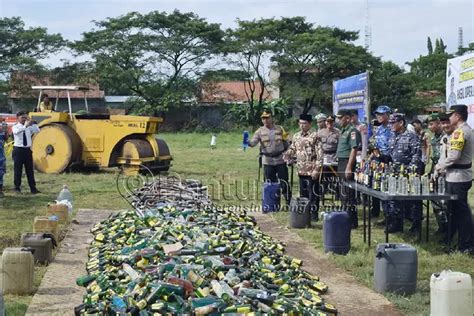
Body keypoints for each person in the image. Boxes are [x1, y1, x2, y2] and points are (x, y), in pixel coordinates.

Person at [435, 105, 473, 254]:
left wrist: (439, 166)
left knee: (460, 212)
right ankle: (459, 241)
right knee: (456, 210)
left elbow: (454, 157)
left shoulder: (460, 132)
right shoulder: (465, 130)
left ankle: (466, 245)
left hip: (458, 177)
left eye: (451, 115)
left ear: (457, 116)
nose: (449, 118)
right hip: (457, 176)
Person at [378, 113, 422, 233]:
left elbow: (416, 155)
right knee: (394, 199)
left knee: (413, 201)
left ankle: (416, 225)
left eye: (393, 123)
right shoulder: (393, 136)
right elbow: (391, 155)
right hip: (394, 173)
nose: (391, 125)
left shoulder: (411, 137)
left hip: (408, 173)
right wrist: (381, 157)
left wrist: (410, 171)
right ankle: (396, 224)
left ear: (401, 123)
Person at [283, 114, 323, 220]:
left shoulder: (315, 136)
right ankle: (305, 214)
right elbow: (293, 148)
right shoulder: (296, 136)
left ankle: (314, 215)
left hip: (312, 171)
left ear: (309, 124)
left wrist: (317, 169)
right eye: (300, 123)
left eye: (304, 123)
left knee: (313, 194)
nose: (302, 125)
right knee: (303, 194)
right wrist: (287, 155)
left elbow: (320, 154)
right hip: (301, 170)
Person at [249, 111, 291, 205]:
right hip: (268, 161)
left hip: (280, 159)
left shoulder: (280, 129)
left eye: (267, 118)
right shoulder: (259, 131)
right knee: (270, 183)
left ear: (272, 118)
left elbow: (287, 142)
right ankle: (272, 203)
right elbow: (253, 142)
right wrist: (248, 142)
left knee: (284, 182)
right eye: (263, 118)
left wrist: (289, 154)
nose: (265, 120)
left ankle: (289, 202)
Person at [336, 109, 361, 228]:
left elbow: (354, 149)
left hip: (347, 162)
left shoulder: (353, 131)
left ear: (347, 118)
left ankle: (351, 221)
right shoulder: (343, 130)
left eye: (341, 118)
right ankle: (345, 217)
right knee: (343, 193)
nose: (339, 120)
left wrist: (349, 167)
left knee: (349, 194)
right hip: (341, 162)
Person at [426, 113, 448, 237]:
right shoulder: (434, 138)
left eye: (432, 124)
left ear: (439, 123)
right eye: (428, 124)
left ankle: (448, 226)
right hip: (434, 170)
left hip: (444, 171)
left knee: (443, 199)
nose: (430, 127)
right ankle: (441, 225)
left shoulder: (446, 137)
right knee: (433, 197)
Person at [371, 105, 393, 219]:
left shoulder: (393, 128)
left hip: (390, 161)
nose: (378, 116)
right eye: (377, 114)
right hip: (379, 160)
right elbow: (375, 145)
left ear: (387, 115)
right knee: (377, 184)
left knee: (389, 187)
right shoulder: (378, 129)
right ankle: (381, 212)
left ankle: (391, 215)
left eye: (381, 114)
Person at [12, 111, 41, 194]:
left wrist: (32, 122)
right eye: (22, 118)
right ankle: (17, 188)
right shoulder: (16, 126)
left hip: (27, 150)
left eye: (25, 118)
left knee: (30, 170)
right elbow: (16, 132)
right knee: (18, 170)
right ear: (17, 118)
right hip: (18, 150)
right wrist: (25, 126)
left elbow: (37, 130)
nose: (24, 119)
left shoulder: (28, 126)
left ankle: (33, 188)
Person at [0, 119, 8, 198]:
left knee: (1, 174)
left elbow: (6, 138)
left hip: (1, 157)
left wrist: (5, 130)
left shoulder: (2, 131)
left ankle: (0, 191)